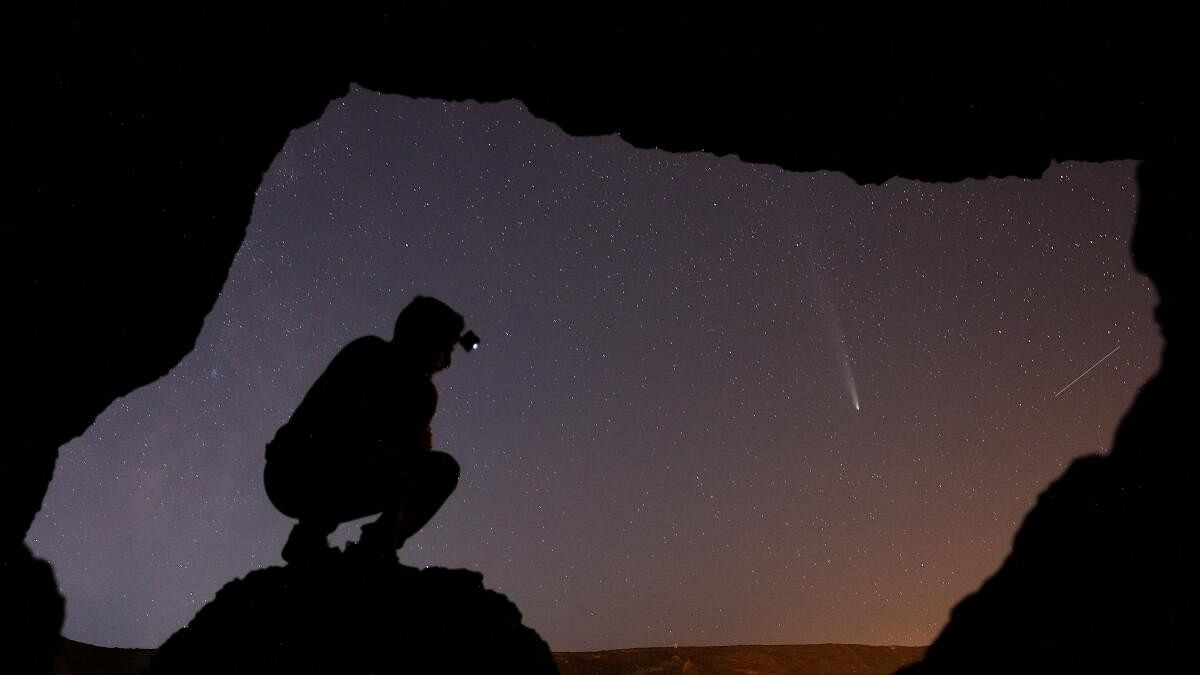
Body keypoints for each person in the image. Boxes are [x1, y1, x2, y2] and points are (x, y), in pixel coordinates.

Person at [264, 296, 476, 563]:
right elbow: (337, 422)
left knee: (436, 469)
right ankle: (319, 537)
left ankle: (357, 544)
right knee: (389, 451)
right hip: (296, 471)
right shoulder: (370, 356)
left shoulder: (416, 389)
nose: (446, 363)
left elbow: (410, 464)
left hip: (311, 473)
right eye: (445, 350)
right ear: (424, 340)